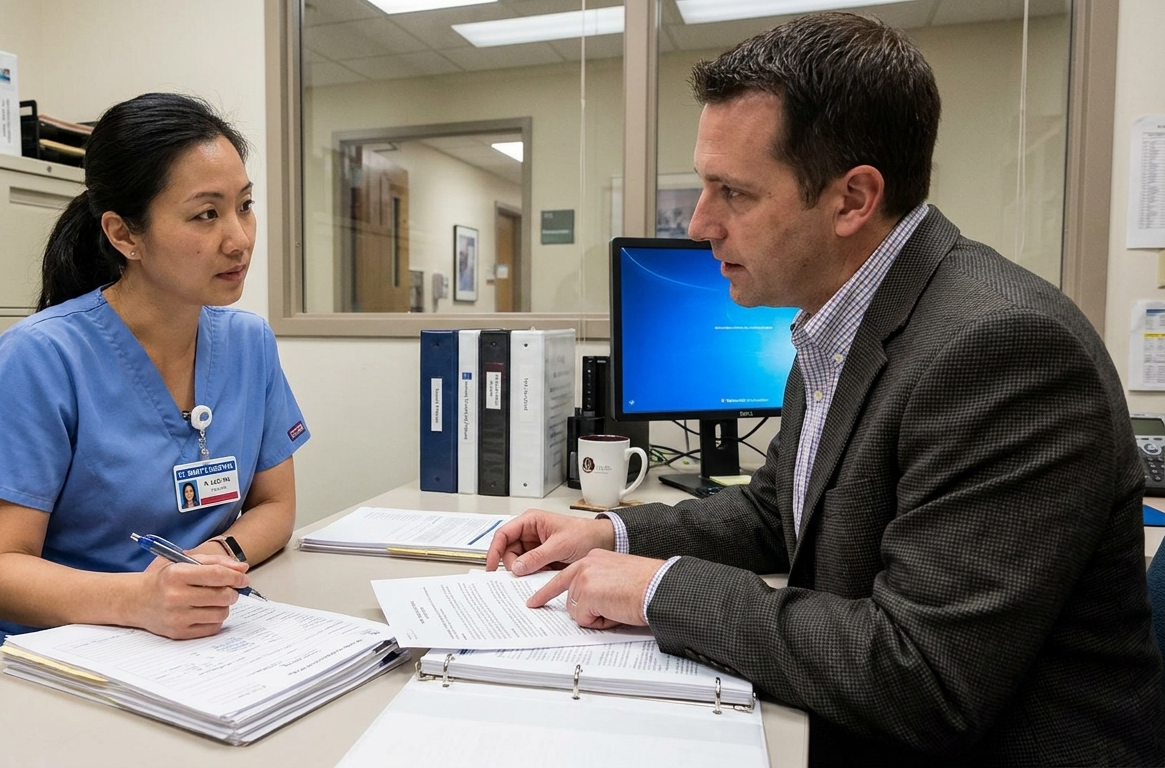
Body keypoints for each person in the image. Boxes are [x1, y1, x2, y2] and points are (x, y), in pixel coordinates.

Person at [487, 13, 1164, 766]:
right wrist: (612, 535)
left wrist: (660, 591)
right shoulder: (841, 318)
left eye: (733, 192)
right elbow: (779, 512)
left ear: (852, 200)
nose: (701, 223)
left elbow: (923, 677)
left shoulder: (1002, 349)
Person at [0, 93, 310, 667]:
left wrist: (208, 560)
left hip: (185, 639)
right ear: (124, 235)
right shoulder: (40, 357)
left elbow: (276, 507)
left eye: (244, 206)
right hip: (39, 655)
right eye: (205, 214)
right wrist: (140, 597)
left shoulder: (249, 342)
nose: (239, 239)